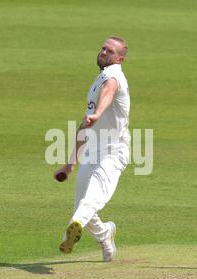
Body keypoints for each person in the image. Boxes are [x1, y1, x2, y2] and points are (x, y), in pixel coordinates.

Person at [53, 36, 130, 262]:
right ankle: (106, 235)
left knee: (91, 199)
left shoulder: (114, 75)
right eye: (103, 48)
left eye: (110, 51)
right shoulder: (99, 78)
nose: (104, 52)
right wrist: (70, 163)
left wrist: (97, 113)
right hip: (93, 150)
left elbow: (109, 92)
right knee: (83, 206)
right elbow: (84, 125)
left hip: (114, 151)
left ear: (120, 59)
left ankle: (71, 227)